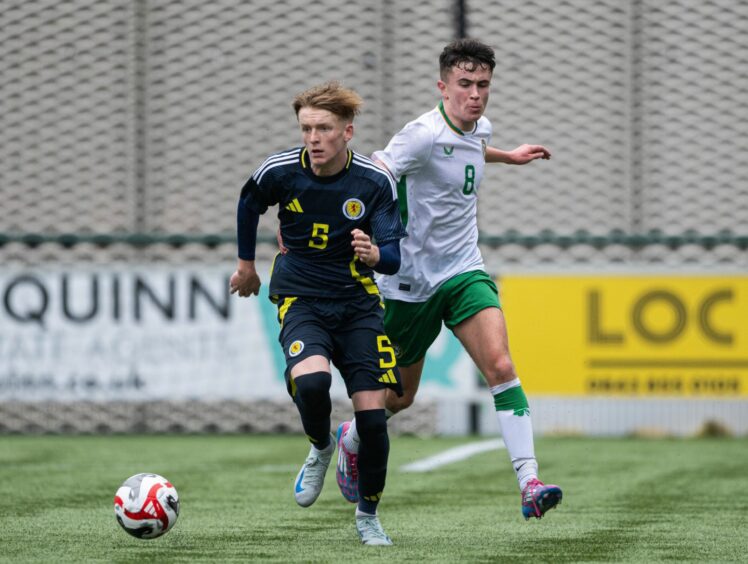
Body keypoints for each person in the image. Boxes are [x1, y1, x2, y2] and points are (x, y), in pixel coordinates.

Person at [335, 39, 563, 520]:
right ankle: (349, 438)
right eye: (465, 84)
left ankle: (529, 483)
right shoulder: (419, 134)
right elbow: (376, 172)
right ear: (443, 86)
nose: (475, 94)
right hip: (410, 283)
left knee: (500, 366)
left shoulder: (480, 126)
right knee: (399, 397)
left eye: (483, 85)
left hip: (463, 270)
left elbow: (472, 147)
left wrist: (509, 156)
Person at [230, 81, 407, 546]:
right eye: (307, 127)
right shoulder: (281, 170)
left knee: (372, 420)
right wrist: (246, 265)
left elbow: (393, 255)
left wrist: (374, 255)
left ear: (347, 132)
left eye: (324, 128)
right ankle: (322, 447)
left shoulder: (373, 181)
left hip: (358, 304)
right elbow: (249, 204)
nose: (313, 137)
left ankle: (368, 515)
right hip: (301, 298)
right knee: (313, 384)